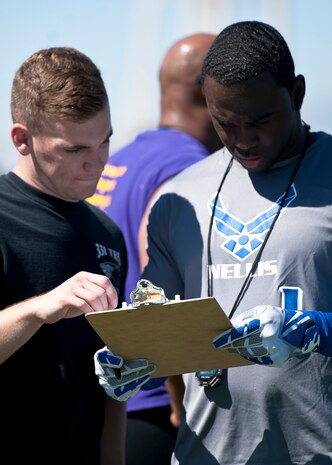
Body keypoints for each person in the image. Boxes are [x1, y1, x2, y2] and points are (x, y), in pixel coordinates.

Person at [95, 20, 332, 464]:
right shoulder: (177, 197)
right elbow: (153, 311)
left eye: (260, 120)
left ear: (296, 94)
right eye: (225, 123)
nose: (243, 140)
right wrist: (128, 357)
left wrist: (317, 330)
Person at [89, 32, 222, 465]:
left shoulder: (122, 159)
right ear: (210, 89)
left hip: (110, 400)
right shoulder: (187, 170)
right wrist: (182, 405)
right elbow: (162, 299)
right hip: (155, 409)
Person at [0, 46, 128, 465]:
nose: (97, 164)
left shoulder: (106, 232)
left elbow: (114, 380)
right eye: (74, 150)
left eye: (104, 142)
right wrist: (40, 309)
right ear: (22, 140)